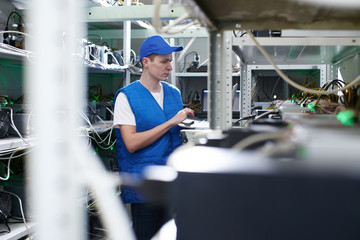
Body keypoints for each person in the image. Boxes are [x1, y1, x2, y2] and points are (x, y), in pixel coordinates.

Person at [113, 35, 194, 240]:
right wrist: (171, 122)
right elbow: (131, 143)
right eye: (164, 61)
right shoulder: (126, 97)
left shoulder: (174, 93)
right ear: (146, 62)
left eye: (170, 61)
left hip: (171, 182)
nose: (170, 67)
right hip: (144, 186)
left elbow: (173, 133)